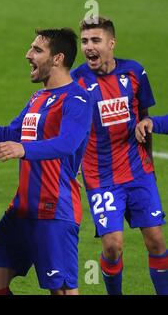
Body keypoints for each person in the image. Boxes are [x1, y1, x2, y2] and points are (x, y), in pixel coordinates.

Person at [0, 28, 92, 295]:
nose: (28, 55)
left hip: (54, 210)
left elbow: (68, 143)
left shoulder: (78, 98)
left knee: (62, 291)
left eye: (37, 50)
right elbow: (11, 134)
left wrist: (23, 150)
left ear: (58, 58)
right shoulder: (38, 98)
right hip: (22, 209)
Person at [71, 17, 167, 295]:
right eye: (85, 41)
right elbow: (66, 128)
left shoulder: (135, 72)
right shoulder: (76, 81)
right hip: (100, 177)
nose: (89, 47)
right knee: (112, 246)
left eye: (95, 40)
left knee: (156, 242)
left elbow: (145, 116)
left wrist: (148, 145)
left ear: (111, 43)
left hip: (138, 171)